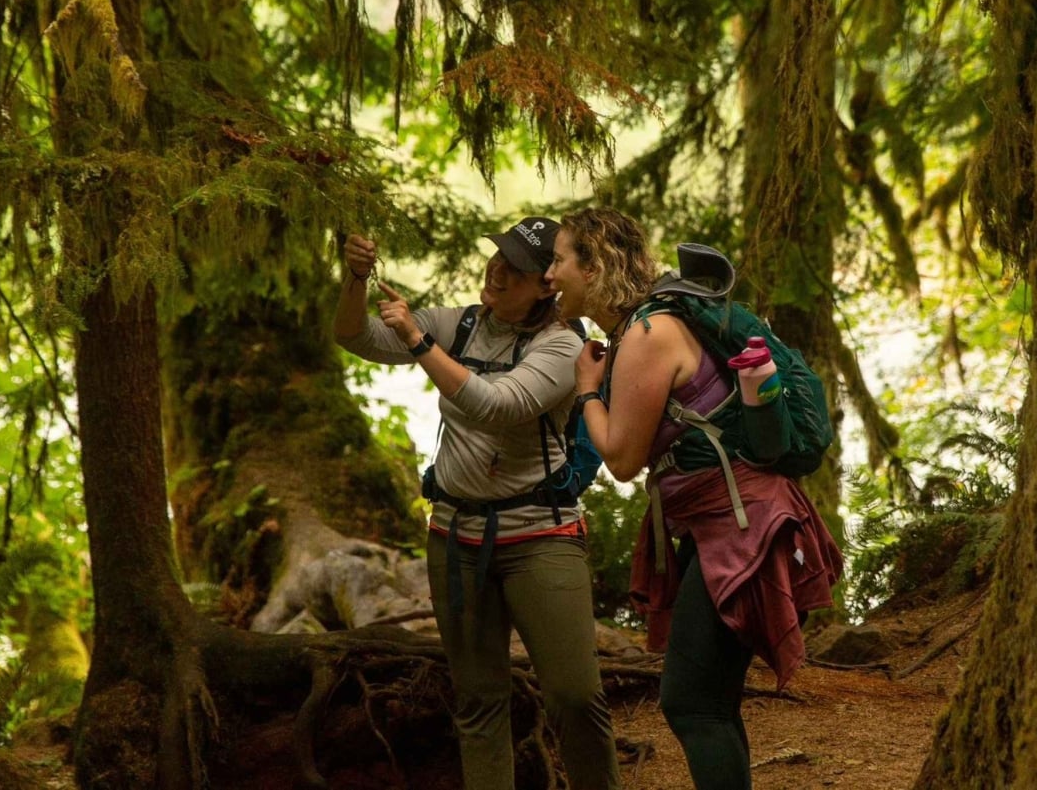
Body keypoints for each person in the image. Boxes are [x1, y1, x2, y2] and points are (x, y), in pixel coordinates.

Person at [545, 207, 842, 790]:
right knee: (711, 702)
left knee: (691, 703)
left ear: (595, 263)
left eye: (559, 260)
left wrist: (585, 392)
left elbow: (624, 460)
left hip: (743, 526)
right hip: (733, 522)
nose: (550, 274)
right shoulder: (650, 324)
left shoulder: (648, 333)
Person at [333, 217, 621, 790]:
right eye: (496, 257)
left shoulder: (563, 345)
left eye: (514, 266)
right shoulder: (459, 324)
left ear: (546, 285)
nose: (497, 270)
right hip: (454, 538)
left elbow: (499, 403)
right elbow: (355, 336)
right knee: (479, 699)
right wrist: (356, 279)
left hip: (541, 538)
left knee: (573, 694)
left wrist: (419, 341)